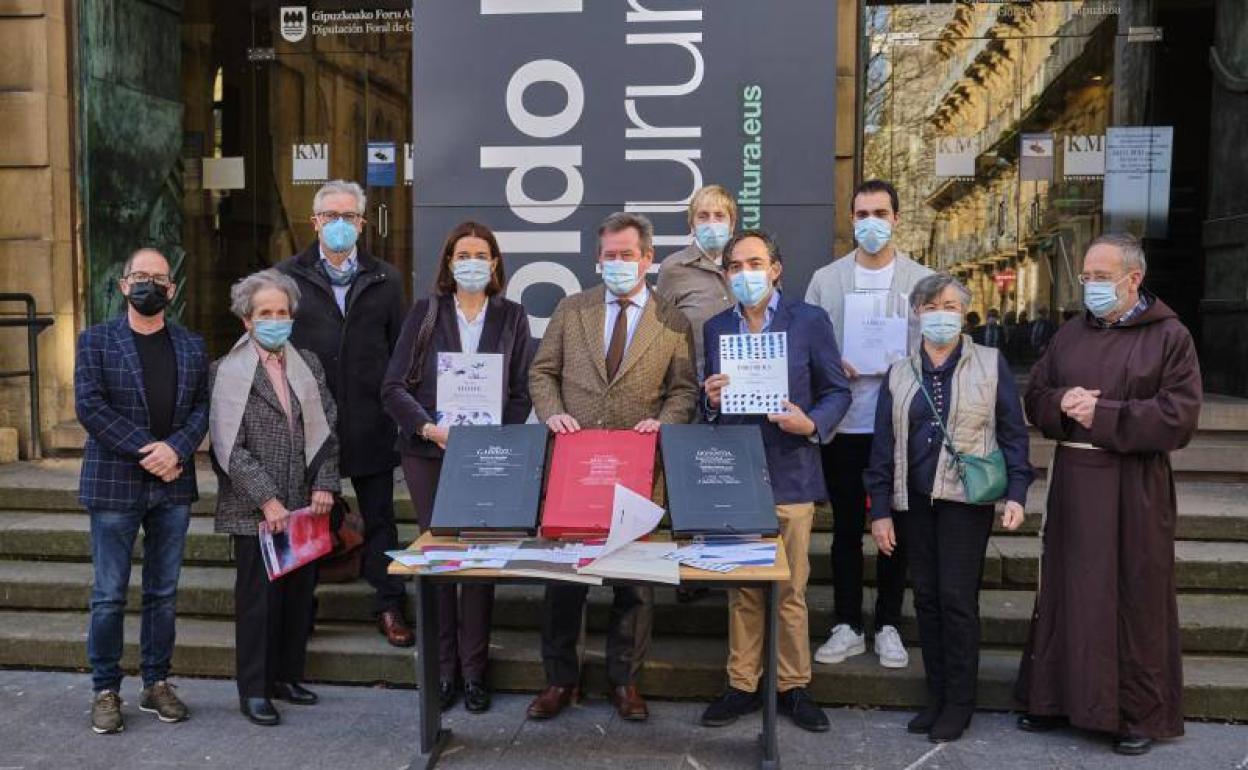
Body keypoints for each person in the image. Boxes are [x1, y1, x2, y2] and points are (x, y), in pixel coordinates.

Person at [1014, 234, 1202, 756]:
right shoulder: (1070, 334)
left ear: (1133, 279)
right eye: (1086, 277)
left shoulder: (1170, 336)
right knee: (1066, 589)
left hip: (1134, 488)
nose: (1090, 286)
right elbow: (1035, 395)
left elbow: (1180, 416)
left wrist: (1105, 414)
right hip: (1075, 482)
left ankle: (1134, 713)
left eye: (1101, 277)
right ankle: (1053, 698)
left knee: (1133, 596)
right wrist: (1061, 400)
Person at [527, 212, 699, 722]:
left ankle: (625, 681)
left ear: (647, 259)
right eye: (610, 255)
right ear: (597, 259)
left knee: (634, 585)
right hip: (574, 467)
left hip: (639, 468)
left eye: (627, 254)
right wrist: (551, 412)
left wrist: (664, 423)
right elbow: (542, 372)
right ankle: (561, 680)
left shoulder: (672, 321)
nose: (618, 262)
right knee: (564, 581)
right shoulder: (572, 308)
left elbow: (684, 390)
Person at [864, 273, 1032, 743]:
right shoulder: (900, 372)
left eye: (951, 307)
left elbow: (1013, 432)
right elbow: (882, 447)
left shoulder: (991, 363)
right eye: (932, 307)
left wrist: (1017, 491)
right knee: (927, 599)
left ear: (964, 314)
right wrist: (880, 511)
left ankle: (960, 703)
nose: (942, 315)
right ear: (918, 313)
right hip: (913, 501)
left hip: (965, 501)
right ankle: (936, 696)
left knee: (957, 600)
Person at [699, 231, 851, 733]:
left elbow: (837, 391)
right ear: (725, 275)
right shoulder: (717, 327)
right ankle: (742, 684)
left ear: (776, 269)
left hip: (792, 472)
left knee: (790, 590)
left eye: (755, 263)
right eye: (735, 266)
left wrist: (811, 424)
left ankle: (793, 686)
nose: (745, 273)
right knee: (742, 588)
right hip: (737, 475)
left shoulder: (809, 321)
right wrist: (710, 400)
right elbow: (711, 403)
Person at [381, 221, 533, 714]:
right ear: (449, 262)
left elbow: (521, 391)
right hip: (428, 452)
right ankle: (443, 670)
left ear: (494, 263)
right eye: (462, 254)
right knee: (442, 561)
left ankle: (474, 672)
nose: (471, 262)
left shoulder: (512, 316)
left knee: (480, 563)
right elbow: (393, 388)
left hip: (484, 455)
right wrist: (429, 429)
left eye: (480, 255)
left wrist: (491, 436)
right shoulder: (426, 313)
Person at [74, 247, 209, 735]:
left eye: (159, 278)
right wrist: (149, 450)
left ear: (171, 289)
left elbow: (202, 408)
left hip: (172, 485)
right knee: (109, 595)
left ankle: (157, 682)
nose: (149, 284)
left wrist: (176, 449)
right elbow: (90, 406)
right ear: (123, 284)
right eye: (140, 276)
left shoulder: (192, 345)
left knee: (163, 593)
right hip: (115, 482)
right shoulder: (95, 340)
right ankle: (105, 689)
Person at [276, 180, 413, 647]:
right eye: (330, 216)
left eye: (349, 216)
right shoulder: (286, 277)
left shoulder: (386, 279)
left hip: (371, 421)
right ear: (315, 222)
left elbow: (400, 350)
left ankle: (390, 604)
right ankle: (302, 609)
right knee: (309, 518)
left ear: (362, 223)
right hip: (310, 425)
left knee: (381, 519)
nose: (340, 224)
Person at [805, 179, 932, 670]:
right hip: (845, 425)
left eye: (880, 213)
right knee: (845, 529)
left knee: (896, 527)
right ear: (851, 219)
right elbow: (808, 349)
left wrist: (911, 361)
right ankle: (847, 623)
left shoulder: (923, 279)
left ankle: (888, 624)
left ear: (896, 218)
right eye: (862, 214)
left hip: (900, 425)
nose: (871, 223)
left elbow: (939, 350)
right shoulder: (826, 280)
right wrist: (832, 363)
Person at [209, 269, 340, 727]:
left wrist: (325, 482)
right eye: (265, 313)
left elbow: (327, 428)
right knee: (259, 604)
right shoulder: (226, 372)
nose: (275, 320)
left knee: (296, 598)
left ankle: (286, 676)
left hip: (304, 504)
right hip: (255, 511)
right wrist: (266, 499)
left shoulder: (308, 364)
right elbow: (228, 447)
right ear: (247, 320)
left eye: (282, 312)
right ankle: (255, 689)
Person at [655, 183, 736, 379]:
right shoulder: (674, 268)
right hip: (695, 386)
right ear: (692, 225)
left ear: (732, 224)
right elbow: (660, 333)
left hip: (749, 382)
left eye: (719, 216)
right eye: (703, 216)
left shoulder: (751, 265)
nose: (712, 223)